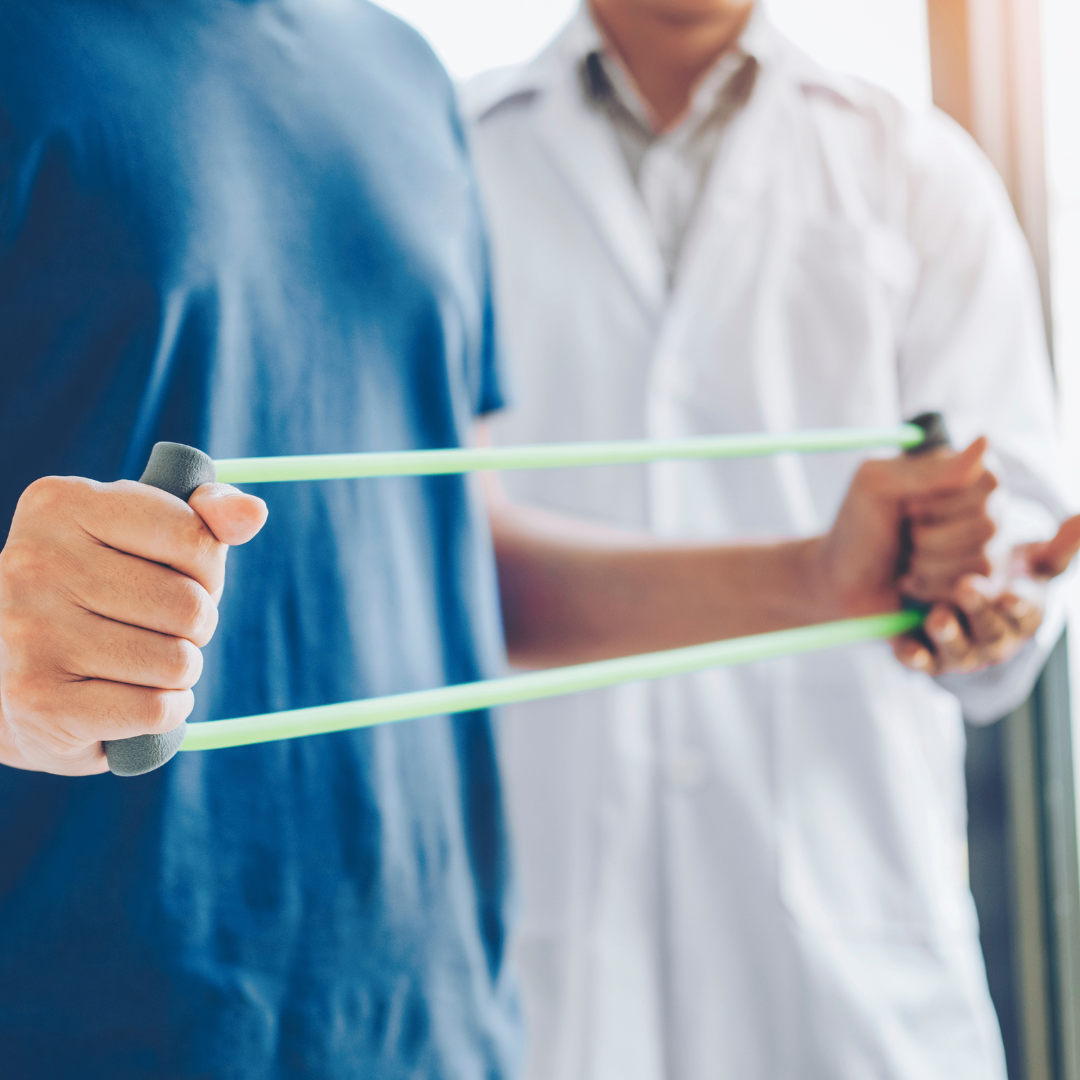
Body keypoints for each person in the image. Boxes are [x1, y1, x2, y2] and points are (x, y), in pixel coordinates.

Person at [1, 2, 1073, 1078]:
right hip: (102, 1019)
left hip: (437, 1022)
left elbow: (460, 560)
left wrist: (821, 578)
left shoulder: (401, 79)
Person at [462, 1, 1075, 1078]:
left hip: (850, 959)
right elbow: (432, 564)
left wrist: (985, 594)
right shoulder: (451, 159)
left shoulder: (917, 172)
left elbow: (1011, 533)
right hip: (548, 958)